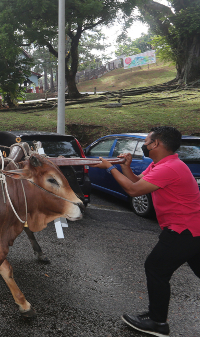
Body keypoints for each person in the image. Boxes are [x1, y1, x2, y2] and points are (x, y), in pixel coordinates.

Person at [91, 126, 200, 337]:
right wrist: (125, 166)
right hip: (192, 228)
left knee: (156, 268)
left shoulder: (170, 168)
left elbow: (133, 190)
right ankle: (156, 319)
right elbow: (138, 182)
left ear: (156, 144)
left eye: (147, 142)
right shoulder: (162, 164)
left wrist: (109, 168)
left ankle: (157, 322)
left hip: (183, 230)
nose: (145, 146)